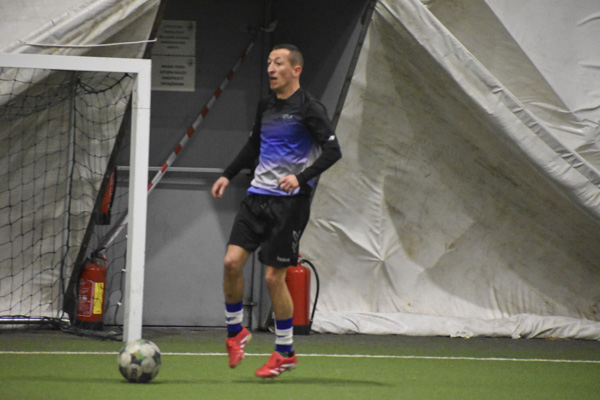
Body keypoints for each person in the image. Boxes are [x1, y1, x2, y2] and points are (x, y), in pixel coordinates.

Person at [211, 43, 342, 378]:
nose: (270, 68)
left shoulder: (310, 108)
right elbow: (254, 145)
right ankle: (235, 332)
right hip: (256, 198)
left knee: (273, 277)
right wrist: (227, 174)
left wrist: (300, 178)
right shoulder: (266, 105)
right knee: (231, 262)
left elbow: (333, 152)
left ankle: (285, 351)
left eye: (278, 62)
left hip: (290, 205)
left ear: (296, 70)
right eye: (269, 62)